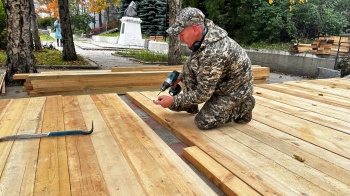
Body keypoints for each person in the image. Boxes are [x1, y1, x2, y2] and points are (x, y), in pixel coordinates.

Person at [153, 7, 255, 130]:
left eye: (182, 34)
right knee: (188, 69)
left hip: (234, 90)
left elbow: (203, 94)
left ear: (195, 29)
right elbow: (194, 63)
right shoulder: (202, 38)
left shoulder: (214, 51)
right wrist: (180, 76)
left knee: (204, 121)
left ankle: (244, 106)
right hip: (220, 83)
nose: (180, 38)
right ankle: (190, 105)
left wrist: (174, 100)